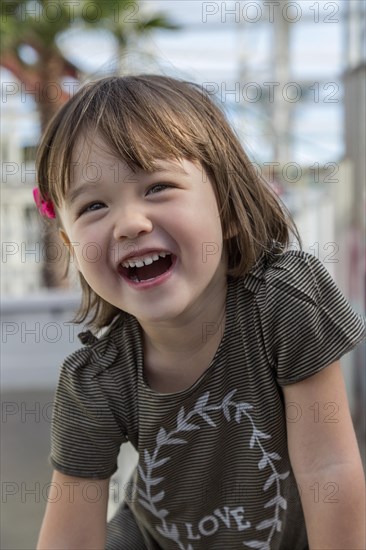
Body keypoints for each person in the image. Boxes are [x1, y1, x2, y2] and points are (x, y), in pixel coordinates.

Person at [35, 75, 365, 550]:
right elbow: (70, 533)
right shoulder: (94, 381)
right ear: (69, 244)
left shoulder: (283, 304)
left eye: (158, 187)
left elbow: (328, 468)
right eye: (93, 206)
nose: (129, 223)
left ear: (228, 207)